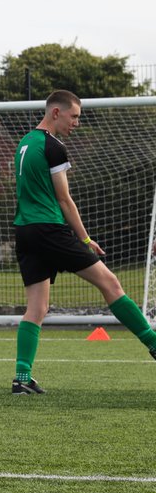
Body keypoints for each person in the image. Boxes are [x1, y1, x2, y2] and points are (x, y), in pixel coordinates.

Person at [12, 90, 156, 394]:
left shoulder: (24, 142)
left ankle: (22, 378)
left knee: (37, 307)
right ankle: (153, 343)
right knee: (111, 283)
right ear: (55, 112)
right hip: (49, 229)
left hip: (25, 230)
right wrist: (85, 238)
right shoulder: (54, 146)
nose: (76, 122)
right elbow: (64, 199)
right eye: (73, 116)